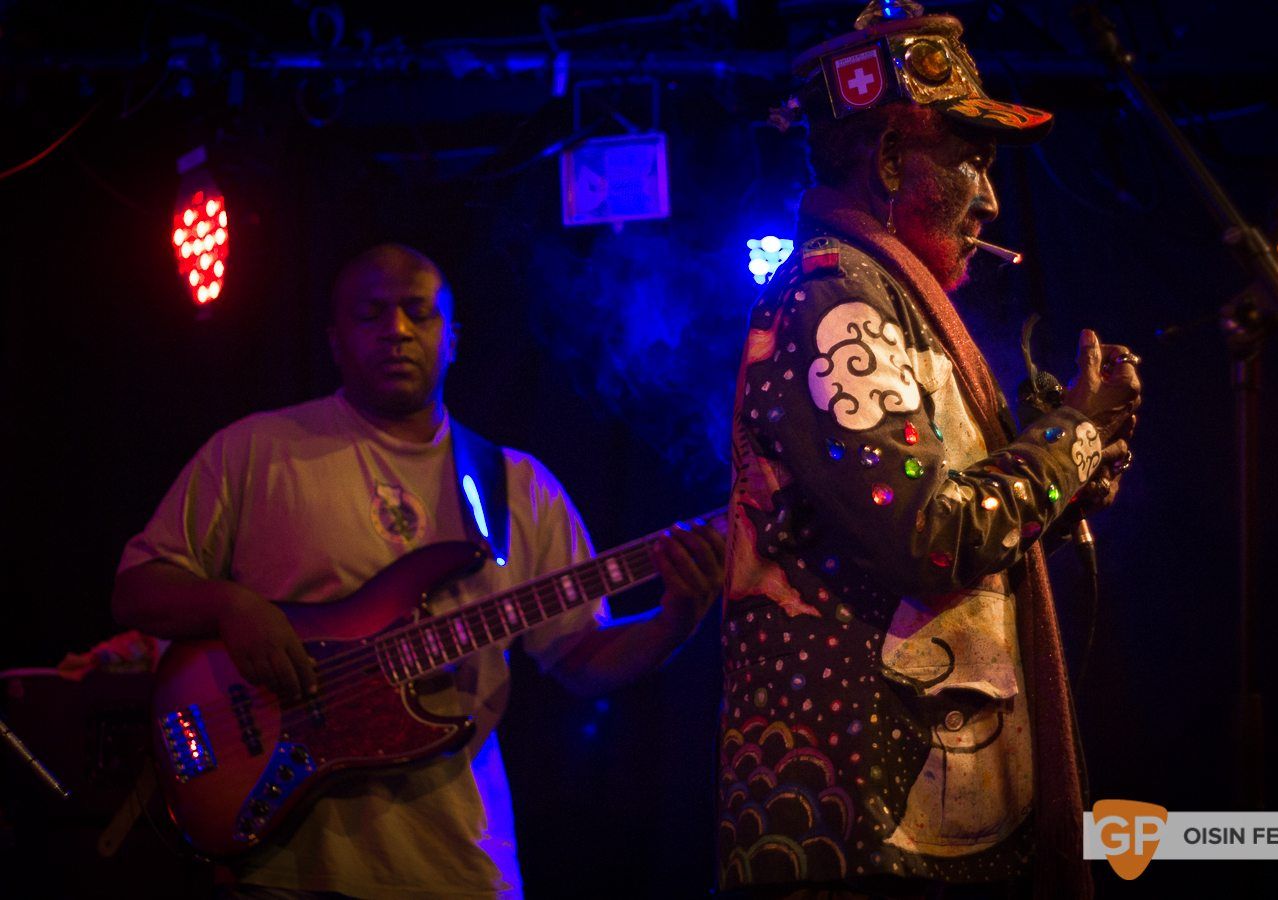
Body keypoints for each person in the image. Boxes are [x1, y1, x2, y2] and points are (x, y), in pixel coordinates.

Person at [112, 243, 725, 898]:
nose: (396, 331)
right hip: (288, 868)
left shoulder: (519, 486)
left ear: (453, 337)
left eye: (418, 314)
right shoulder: (257, 450)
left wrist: (676, 618)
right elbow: (138, 589)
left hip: (458, 864)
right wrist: (232, 609)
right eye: (370, 314)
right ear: (334, 338)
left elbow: (581, 659)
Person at [717, 3, 1139, 897]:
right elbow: (932, 538)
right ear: (887, 161)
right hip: (859, 834)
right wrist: (1072, 438)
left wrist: (1064, 486)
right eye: (972, 159)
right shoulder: (835, 306)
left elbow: (942, 545)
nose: (989, 197)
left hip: (910, 827)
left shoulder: (880, 304)